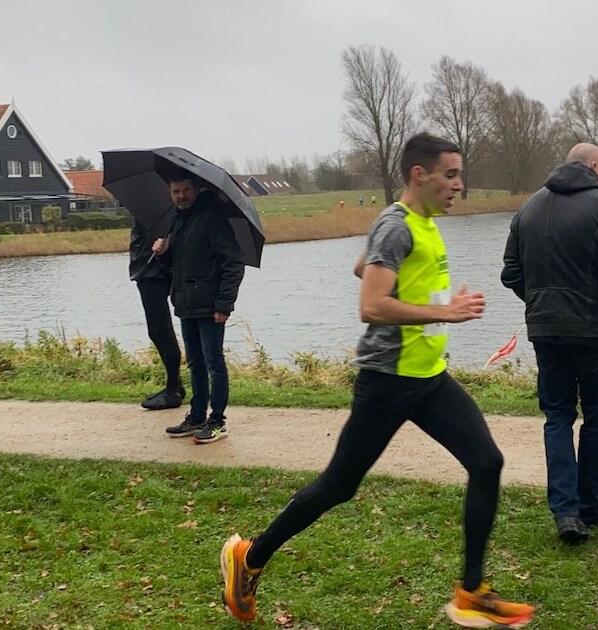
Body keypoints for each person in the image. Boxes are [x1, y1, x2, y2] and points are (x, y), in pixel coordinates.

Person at [220, 133, 535, 628]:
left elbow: (362, 267)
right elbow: (371, 305)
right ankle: (250, 557)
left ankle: (471, 592)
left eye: (459, 175)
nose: (459, 184)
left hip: (427, 378)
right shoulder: (396, 225)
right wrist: (445, 312)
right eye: (450, 175)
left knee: (486, 462)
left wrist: (404, 285)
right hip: (387, 381)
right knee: (338, 486)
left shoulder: (418, 223)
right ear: (419, 175)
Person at [501, 143, 598, 545]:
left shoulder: (528, 209)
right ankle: (591, 504)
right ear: (594, 166)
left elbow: (511, 272)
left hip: (546, 331)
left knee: (558, 416)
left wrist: (541, 303)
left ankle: (565, 511)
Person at [151, 171, 245, 445]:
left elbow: (233, 264)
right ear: (170, 194)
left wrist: (224, 304)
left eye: (186, 190)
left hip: (210, 306)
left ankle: (217, 421)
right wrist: (163, 253)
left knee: (214, 363)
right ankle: (196, 416)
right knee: (195, 363)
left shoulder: (213, 219)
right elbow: (176, 267)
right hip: (186, 304)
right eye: (176, 191)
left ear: (196, 189)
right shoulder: (177, 221)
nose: (181, 196)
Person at [129, 217, 184, 411]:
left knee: (161, 330)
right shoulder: (149, 208)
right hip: (146, 268)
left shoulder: (158, 211)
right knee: (157, 331)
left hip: (154, 270)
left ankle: (173, 389)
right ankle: (174, 385)